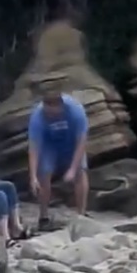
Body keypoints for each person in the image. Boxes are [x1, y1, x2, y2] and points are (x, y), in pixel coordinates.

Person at [27, 85, 89, 228]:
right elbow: (34, 147)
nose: (51, 116)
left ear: (61, 106)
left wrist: (73, 169)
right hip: (50, 145)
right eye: (48, 114)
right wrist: (33, 177)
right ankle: (43, 216)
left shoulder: (75, 111)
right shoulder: (37, 117)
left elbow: (82, 141)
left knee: (81, 171)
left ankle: (82, 214)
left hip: (71, 142)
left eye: (54, 114)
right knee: (44, 174)